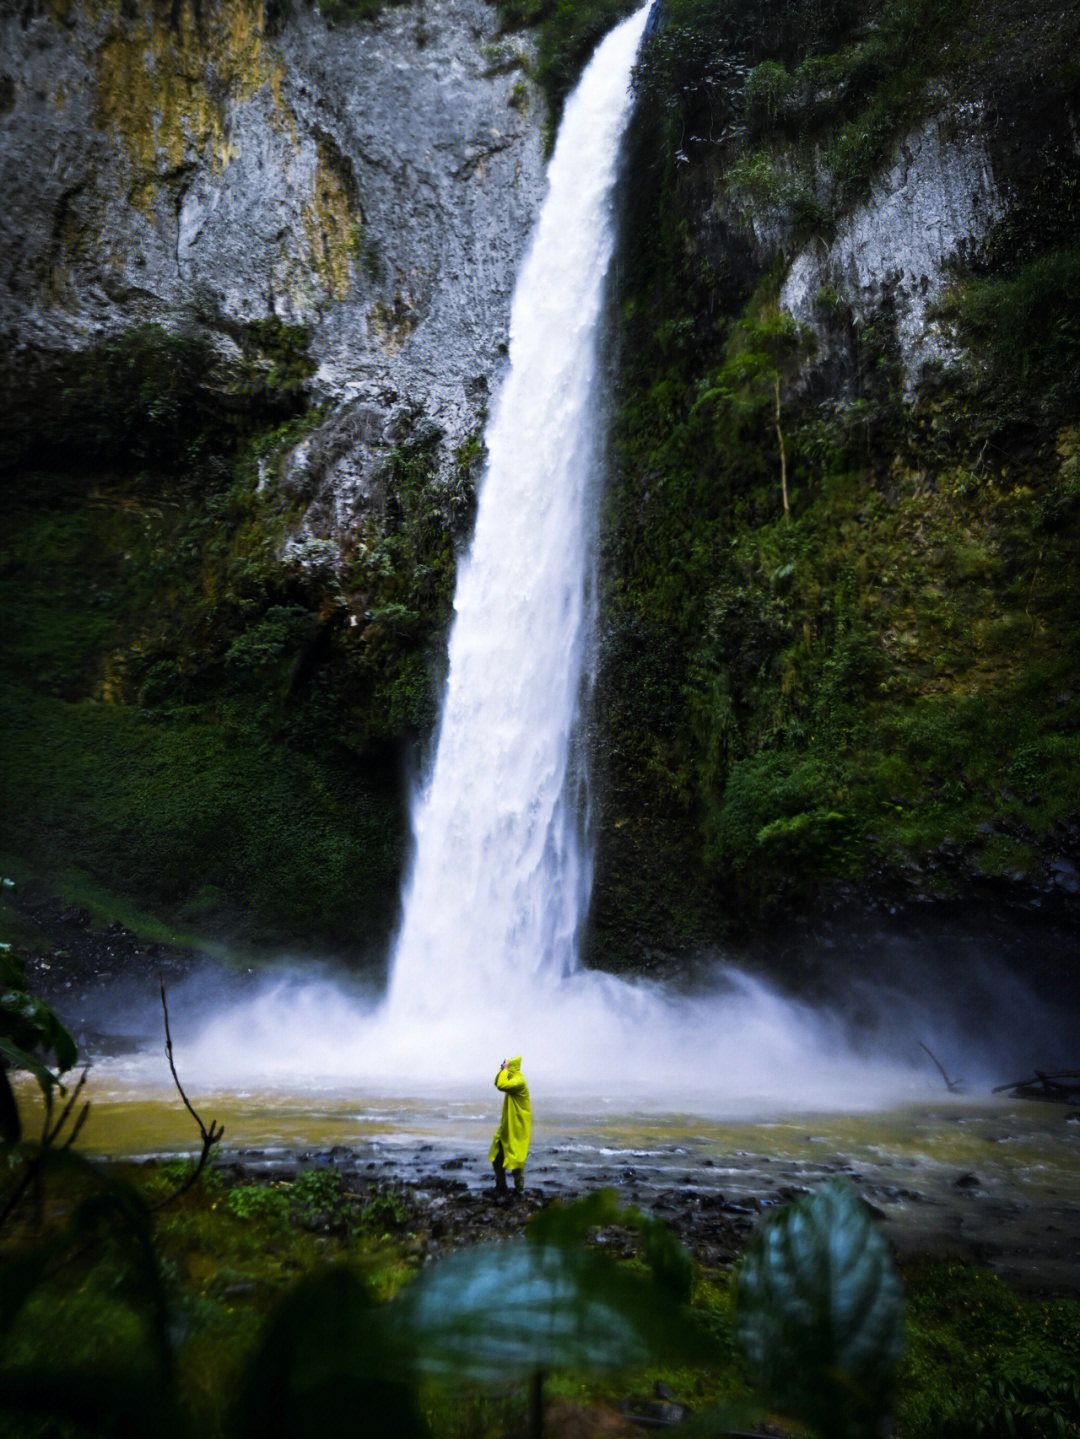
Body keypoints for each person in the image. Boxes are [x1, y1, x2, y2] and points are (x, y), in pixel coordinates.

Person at [489, 1055, 530, 1197]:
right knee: (496, 1156)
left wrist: (505, 1070)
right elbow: (497, 1082)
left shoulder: (519, 1081)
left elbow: (501, 1085)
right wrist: (502, 1070)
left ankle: (520, 1190)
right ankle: (501, 1186)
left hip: (517, 1128)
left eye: (507, 1065)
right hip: (507, 1127)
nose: (504, 1066)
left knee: (516, 1160)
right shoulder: (512, 1079)